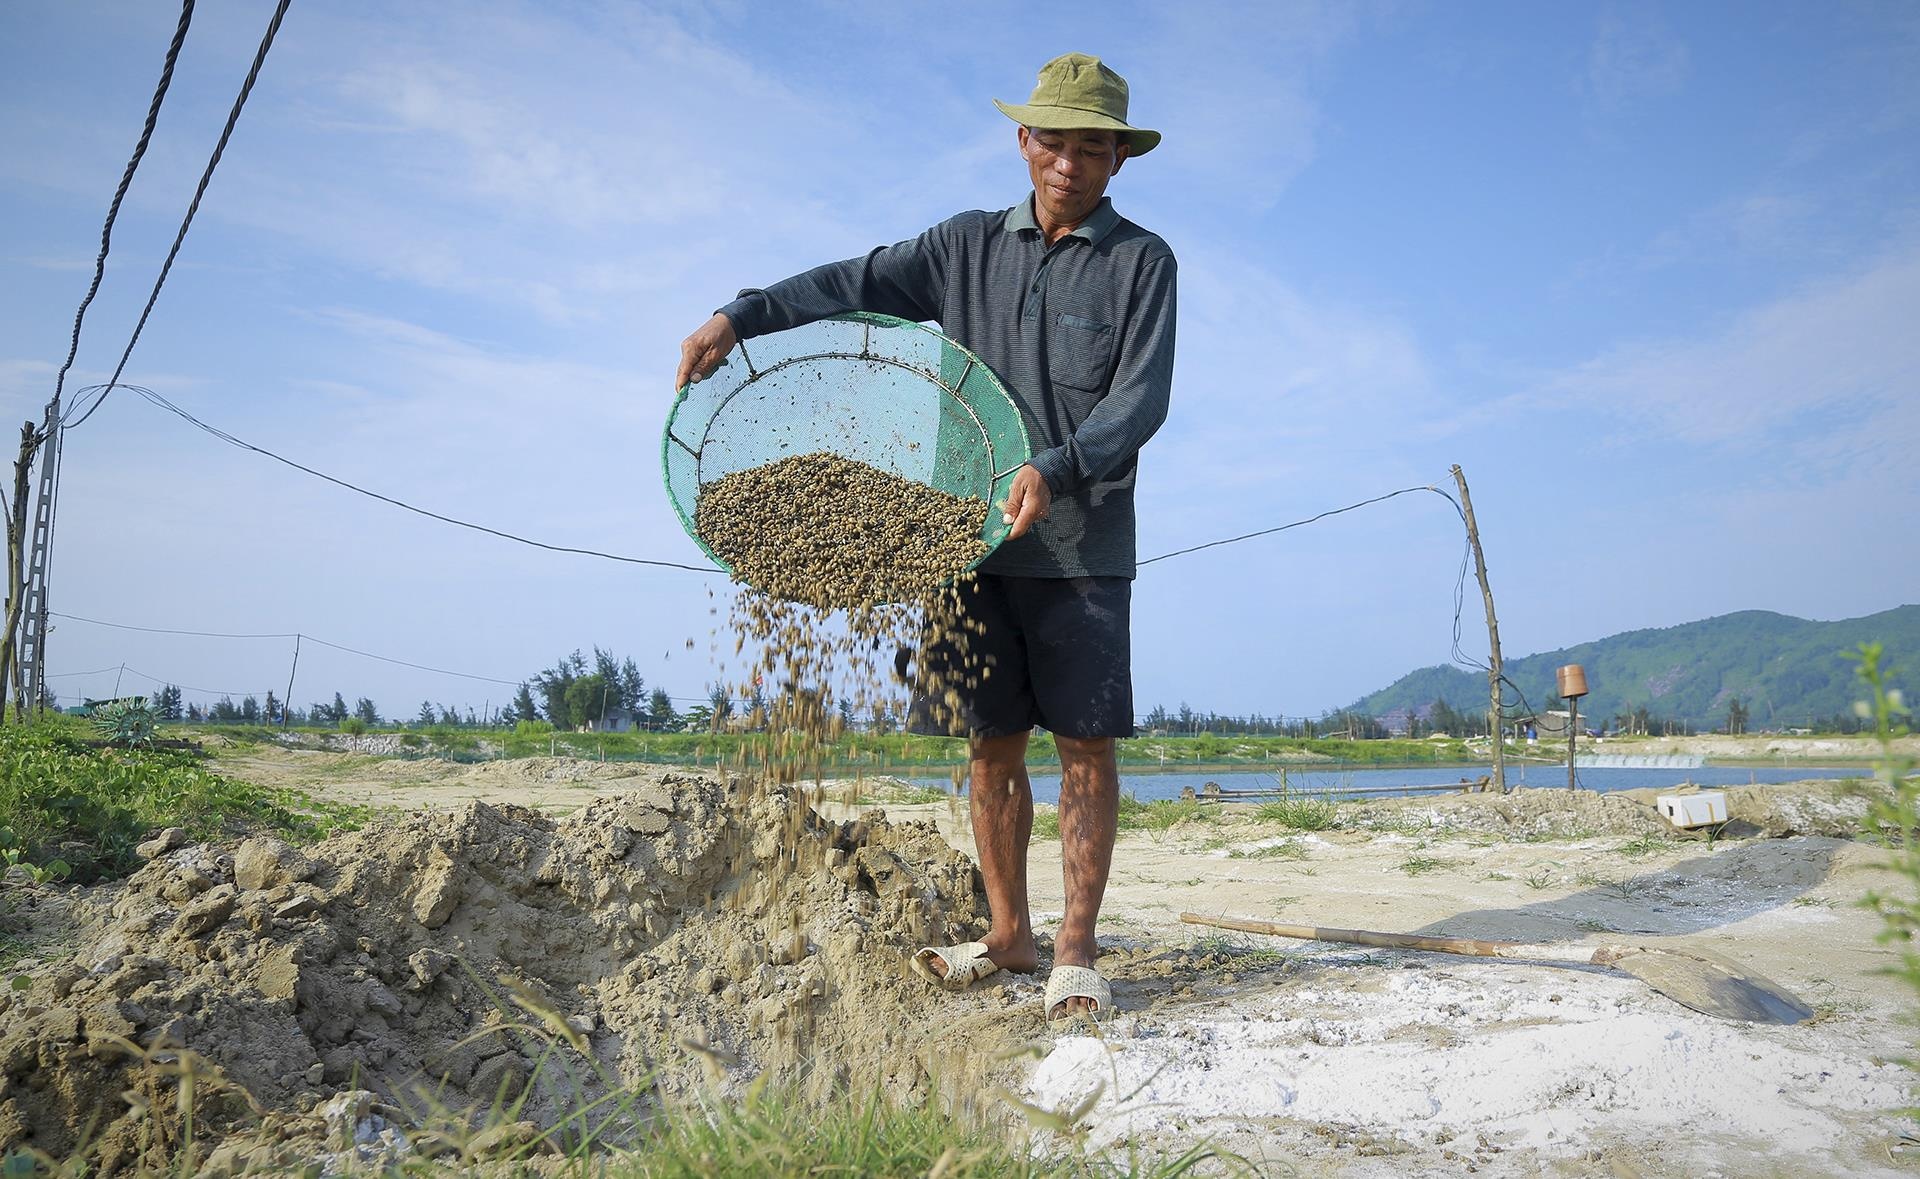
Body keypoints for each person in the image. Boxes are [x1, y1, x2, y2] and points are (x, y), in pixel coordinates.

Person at [676, 53, 1176, 1022]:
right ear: (1022, 142)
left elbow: (1140, 399)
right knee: (990, 749)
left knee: (1084, 747)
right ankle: (1008, 935)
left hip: (1081, 548)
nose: (1067, 165)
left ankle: (1075, 948)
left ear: (1118, 158)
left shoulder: (1140, 264)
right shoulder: (962, 249)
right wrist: (741, 314)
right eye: (1051, 143)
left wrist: (1056, 465)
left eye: (1090, 149)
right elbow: (850, 283)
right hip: (957, 543)